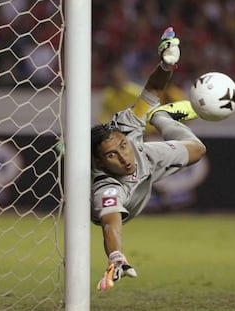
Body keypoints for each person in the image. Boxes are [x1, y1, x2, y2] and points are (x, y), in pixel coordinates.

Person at [91, 27, 206, 291]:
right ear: (100, 163)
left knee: (197, 149)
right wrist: (115, 256)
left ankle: (160, 117)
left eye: (122, 146)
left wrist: (167, 64)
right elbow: (110, 223)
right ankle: (161, 117)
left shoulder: (127, 128)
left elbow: (152, 89)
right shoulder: (106, 187)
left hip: (148, 158)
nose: (123, 157)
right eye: (112, 155)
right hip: (128, 192)